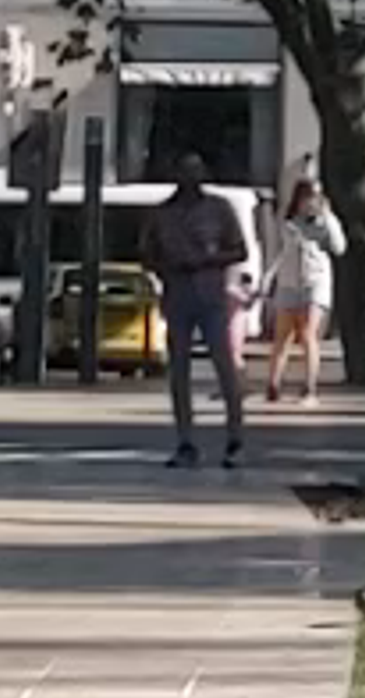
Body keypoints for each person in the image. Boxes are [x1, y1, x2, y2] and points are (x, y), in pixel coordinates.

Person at [147, 155, 255, 470]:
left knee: (225, 369)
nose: (191, 178)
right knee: (179, 373)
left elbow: (240, 250)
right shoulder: (162, 213)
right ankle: (185, 442)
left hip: (211, 298)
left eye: (197, 172)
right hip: (177, 297)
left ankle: (235, 439)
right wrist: (168, 265)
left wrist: (208, 260)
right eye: (185, 172)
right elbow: (147, 254)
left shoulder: (219, 209)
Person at [256, 166, 345, 406]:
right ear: (299, 198)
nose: (311, 202)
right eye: (308, 197)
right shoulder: (288, 223)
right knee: (281, 336)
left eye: (316, 197)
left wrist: (327, 217)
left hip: (315, 282)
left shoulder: (324, 223)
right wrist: (268, 278)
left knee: (308, 334)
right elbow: (279, 252)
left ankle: (310, 389)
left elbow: (339, 247)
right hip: (288, 282)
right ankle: (273, 386)